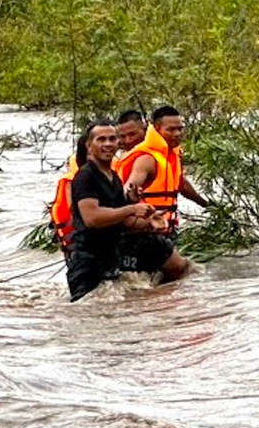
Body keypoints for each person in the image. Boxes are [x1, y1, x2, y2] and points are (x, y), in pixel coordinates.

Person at [66, 120, 190, 302]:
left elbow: (122, 221)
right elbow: (92, 218)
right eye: (101, 139)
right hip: (89, 260)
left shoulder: (113, 177)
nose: (108, 144)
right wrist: (132, 208)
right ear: (89, 145)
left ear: (118, 143)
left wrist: (148, 222)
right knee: (91, 314)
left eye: (112, 139)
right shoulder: (86, 176)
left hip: (113, 255)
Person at [119, 105, 210, 233]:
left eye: (180, 129)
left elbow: (181, 185)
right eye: (171, 130)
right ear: (157, 129)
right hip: (145, 232)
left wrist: (207, 205)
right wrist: (130, 194)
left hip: (167, 230)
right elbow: (128, 187)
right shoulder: (147, 159)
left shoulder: (172, 155)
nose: (177, 134)